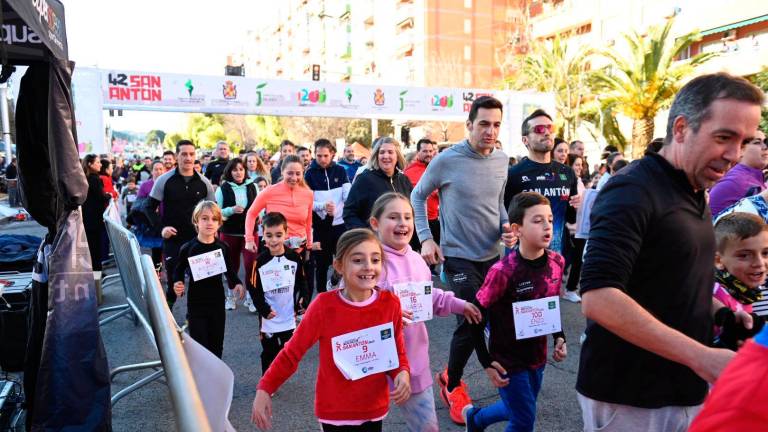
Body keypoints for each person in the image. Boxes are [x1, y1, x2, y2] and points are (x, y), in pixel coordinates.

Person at [577, 73, 764, 432]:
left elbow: (669, 278)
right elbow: (598, 297)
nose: (735, 155)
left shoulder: (693, 188)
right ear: (681, 128)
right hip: (631, 396)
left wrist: (722, 314)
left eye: (744, 141)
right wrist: (703, 357)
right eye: (724, 137)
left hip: (681, 389)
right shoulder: (631, 190)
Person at [411, 95, 516, 425]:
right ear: (469, 124)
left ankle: (448, 376)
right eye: (483, 124)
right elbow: (417, 195)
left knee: (473, 324)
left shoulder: (502, 160)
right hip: (457, 257)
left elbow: (498, 204)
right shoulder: (447, 160)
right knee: (473, 317)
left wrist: (505, 228)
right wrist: (426, 239)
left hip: (491, 256)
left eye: (496, 124)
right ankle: (455, 385)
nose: (490, 130)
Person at [251, 229, 411, 432]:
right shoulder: (323, 306)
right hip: (334, 413)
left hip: (374, 409)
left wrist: (402, 373)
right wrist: (265, 387)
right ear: (339, 266)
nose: (368, 267)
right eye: (358, 260)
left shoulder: (390, 304)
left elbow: (397, 353)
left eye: (375, 259)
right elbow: (292, 353)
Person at [370, 193, 481, 432]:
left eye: (407, 217)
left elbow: (429, 298)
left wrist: (460, 305)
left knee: (427, 428)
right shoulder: (367, 261)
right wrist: (386, 315)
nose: (402, 223)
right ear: (375, 223)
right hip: (371, 366)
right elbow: (352, 308)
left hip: (412, 364)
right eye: (393, 217)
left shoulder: (418, 260)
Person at [463, 192, 568, 432]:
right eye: (537, 220)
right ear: (516, 228)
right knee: (523, 421)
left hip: (537, 356)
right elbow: (474, 317)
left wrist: (559, 336)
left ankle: (476, 419)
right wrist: (486, 361)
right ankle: (477, 420)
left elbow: (549, 303)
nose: (547, 226)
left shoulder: (557, 262)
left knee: (521, 407)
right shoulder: (503, 271)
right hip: (507, 360)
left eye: (550, 220)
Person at [173, 201, 244, 358]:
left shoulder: (223, 247)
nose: (209, 223)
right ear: (196, 221)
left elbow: (229, 271)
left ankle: (215, 379)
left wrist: (237, 283)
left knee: (216, 344)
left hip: (217, 304)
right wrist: (177, 283)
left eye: (214, 219)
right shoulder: (188, 248)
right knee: (200, 346)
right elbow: (178, 270)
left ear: (219, 223)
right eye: (204, 218)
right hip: (196, 304)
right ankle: (199, 380)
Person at [505, 109, 580, 257]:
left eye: (550, 128)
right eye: (539, 129)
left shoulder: (567, 173)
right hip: (519, 259)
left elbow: (571, 217)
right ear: (525, 140)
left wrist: (579, 205)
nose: (546, 132)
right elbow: (504, 217)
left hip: (554, 258)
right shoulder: (513, 174)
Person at [149, 140, 215, 308]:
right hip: (174, 240)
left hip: (198, 241)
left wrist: (211, 233)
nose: (188, 158)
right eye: (184, 154)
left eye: (191, 154)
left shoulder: (204, 183)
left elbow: (214, 212)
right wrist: (162, 229)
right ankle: (167, 317)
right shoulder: (164, 180)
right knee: (173, 281)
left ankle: (192, 317)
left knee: (199, 282)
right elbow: (149, 209)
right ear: (176, 156)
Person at [250, 212, 309, 374]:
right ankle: (266, 380)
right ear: (263, 235)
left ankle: (277, 376)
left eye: (278, 235)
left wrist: (303, 300)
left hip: (288, 315)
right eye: (269, 235)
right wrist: (264, 309)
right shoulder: (260, 261)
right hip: (269, 317)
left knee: (285, 350)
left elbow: (303, 281)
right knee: (268, 351)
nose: (273, 240)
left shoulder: (294, 258)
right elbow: (253, 289)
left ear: (286, 234)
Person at [244, 154, 314, 267]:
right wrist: (249, 239)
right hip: (273, 249)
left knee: (300, 284)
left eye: (298, 173)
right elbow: (251, 213)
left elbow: (308, 221)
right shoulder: (269, 192)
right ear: (282, 172)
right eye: (290, 173)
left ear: (303, 173)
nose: (294, 178)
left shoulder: (308, 194)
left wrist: (309, 245)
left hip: (299, 250)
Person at [711, 213, 766, 351]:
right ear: (718, 261)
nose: (759, 263)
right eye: (744, 256)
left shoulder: (745, 292)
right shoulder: (717, 295)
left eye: (765, 253)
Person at [304, 139, 350, 294]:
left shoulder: (341, 171)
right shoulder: (309, 174)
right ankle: (322, 296)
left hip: (340, 225)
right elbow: (308, 201)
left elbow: (347, 195)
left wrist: (342, 209)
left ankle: (336, 282)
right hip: (320, 227)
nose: (322, 159)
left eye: (325, 155)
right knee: (322, 266)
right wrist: (323, 207)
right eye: (319, 156)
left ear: (332, 154)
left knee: (344, 261)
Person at [214, 158, 258, 311]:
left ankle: (251, 297)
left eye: (241, 169)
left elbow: (261, 208)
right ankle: (231, 296)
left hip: (250, 234)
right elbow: (217, 212)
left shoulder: (253, 186)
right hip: (229, 233)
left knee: (251, 265)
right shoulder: (222, 189)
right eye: (235, 170)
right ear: (229, 172)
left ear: (245, 171)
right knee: (231, 266)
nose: (238, 172)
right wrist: (231, 210)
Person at [343, 137, 412, 230]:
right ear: (376, 156)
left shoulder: (404, 180)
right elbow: (349, 213)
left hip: (402, 240)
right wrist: (368, 237)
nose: (386, 156)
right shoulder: (364, 180)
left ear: (397, 156)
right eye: (382, 152)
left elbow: (412, 212)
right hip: (375, 242)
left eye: (390, 152)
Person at [708, 130, 767, 217]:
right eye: (757, 142)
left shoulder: (756, 177)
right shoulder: (733, 181)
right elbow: (712, 222)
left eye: (765, 142)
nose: (765, 147)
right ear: (741, 150)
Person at [82, 154, 111, 304]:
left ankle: (95, 277)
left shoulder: (86, 178)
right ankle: (96, 278)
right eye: (98, 162)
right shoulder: (94, 179)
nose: (101, 165)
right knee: (95, 249)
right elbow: (100, 197)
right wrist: (109, 196)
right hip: (94, 220)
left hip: (88, 219)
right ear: (90, 164)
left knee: (92, 248)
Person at [403, 139, 440, 248]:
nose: (428, 154)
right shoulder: (410, 171)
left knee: (434, 259)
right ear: (418, 152)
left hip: (434, 220)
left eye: (430, 151)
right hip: (417, 221)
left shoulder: (437, 168)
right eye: (425, 151)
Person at [563, 153, 587, 302]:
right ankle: (566, 288)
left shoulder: (579, 181)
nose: (579, 167)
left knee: (577, 260)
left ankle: (570, 289)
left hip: (581, 227)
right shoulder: (568, 182)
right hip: (571, 227)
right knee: (569, 259)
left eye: (581, 165)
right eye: (576, 164)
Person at [135, 160, 166, 265]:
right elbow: (139, 202)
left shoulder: (168, 183)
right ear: (151, 171)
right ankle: (157, 274)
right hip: (153, 222)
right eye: (156, 169)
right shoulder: (145, 185)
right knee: (156, 250)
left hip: (167, 219)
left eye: (161, 169)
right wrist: (149, 205)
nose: (158, 171)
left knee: (169, 249)